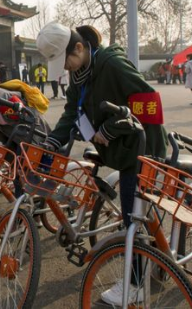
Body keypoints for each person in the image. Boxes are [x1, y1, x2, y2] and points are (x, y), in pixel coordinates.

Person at [37, 22, 167, 305]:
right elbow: (72, 112)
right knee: (136, 212)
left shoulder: (112, 65)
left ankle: (135, 285)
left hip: (142, 149)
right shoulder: (80, 74)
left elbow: (149, 103)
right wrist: (53, 141)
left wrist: (112, 128)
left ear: (79, 47)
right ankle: (157, 258)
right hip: (120, 149)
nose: (66, 68)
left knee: (132, 219)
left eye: (66, 61)